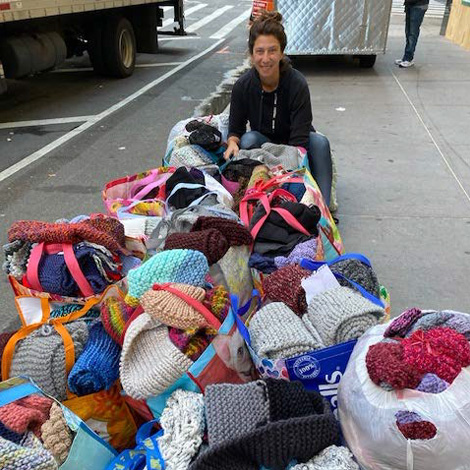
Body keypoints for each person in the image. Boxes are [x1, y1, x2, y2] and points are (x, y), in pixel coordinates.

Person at [223, 10, 333, 207]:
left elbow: (300, 142)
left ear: (282, 52)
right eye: (260, 51)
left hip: (296, 144)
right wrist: (232, 142)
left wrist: (290, 172)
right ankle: (254, 196)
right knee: (248, 139)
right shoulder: (243, 86)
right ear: (251, 53)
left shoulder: (297, 84)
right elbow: (236, 128)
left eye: (272, 50)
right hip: (264, 144)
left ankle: (323, 207)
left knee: (321, 143)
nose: (266, 58)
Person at [395, 0, 429, 68]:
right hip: (410, 4)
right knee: (408, 31)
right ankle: (406, 57)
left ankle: (408, 58)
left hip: (419, 5)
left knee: (412, 33)